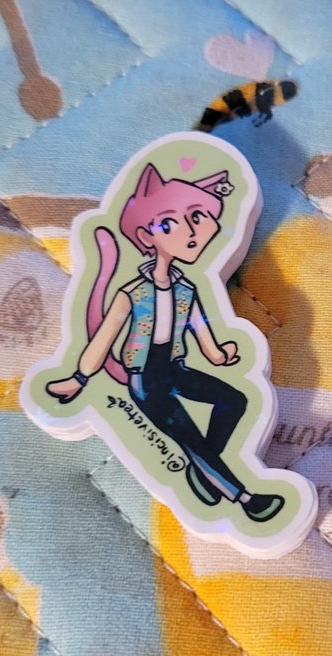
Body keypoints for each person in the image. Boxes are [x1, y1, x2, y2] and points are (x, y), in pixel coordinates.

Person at [46, 163, 283, 522]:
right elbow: (103, 338)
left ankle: (202, 470)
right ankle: (246, 499)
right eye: (170, 225)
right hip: (145, 377)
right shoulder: (132, 293)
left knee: (234, 400)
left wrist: (222, 355)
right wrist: (78, 379)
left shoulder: (187, 290)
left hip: (177, 369)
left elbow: (206, 340)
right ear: (146, 236)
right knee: (186, 433)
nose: (190, 234)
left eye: (196, 221)